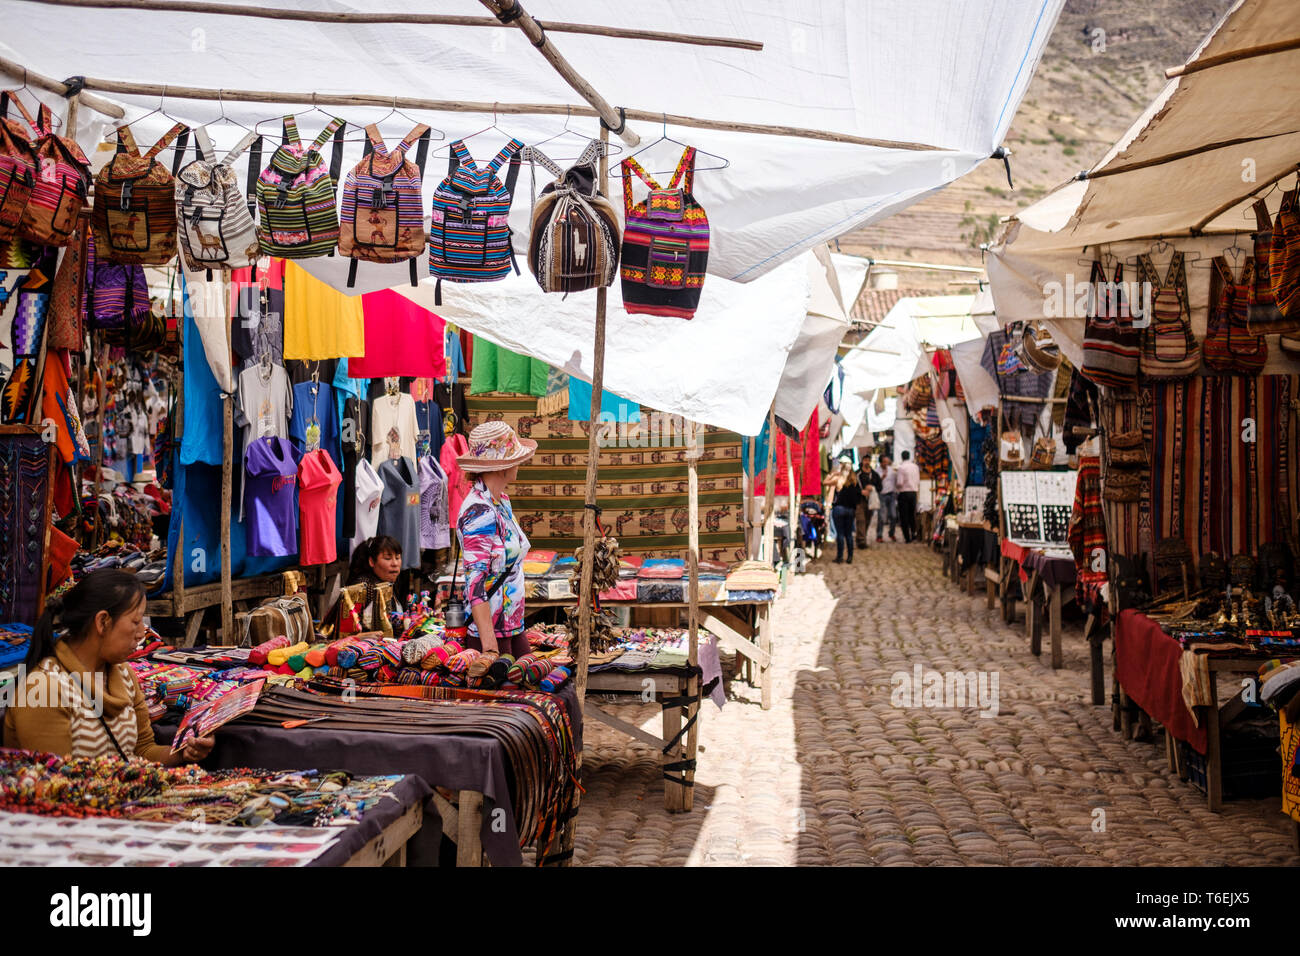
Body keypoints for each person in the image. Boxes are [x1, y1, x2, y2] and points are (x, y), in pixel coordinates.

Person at [3, 569, 214, 764]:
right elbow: (59, 783)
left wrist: (183, 752)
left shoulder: (122, 674)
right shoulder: (45, 689)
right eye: (136, 621)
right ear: (102, 622)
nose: (142, 633)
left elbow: (144, 750)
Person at [456, 421, 537, 670]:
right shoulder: (478, 511)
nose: (520, 463)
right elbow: (475, 583)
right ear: (502, 466)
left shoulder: (500, 501)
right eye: (515, 458)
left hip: (511, 626)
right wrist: (489, 647)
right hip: (492, 635)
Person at [344, 535, 405, 625]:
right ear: (372, 561)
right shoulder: (364, 586)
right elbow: (348, 626)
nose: (395, 563)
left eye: (397, 558)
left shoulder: (389, 582)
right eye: (388, 558)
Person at [830, 467, 863, 564]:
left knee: (840, 534)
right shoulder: (855, 485)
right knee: (848, 534)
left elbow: (824, 482)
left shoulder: (840, 483)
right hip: (850, 510)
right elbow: (858, 498)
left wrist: (832, 475)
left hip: (839, 509)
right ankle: (849, 557)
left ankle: (840, 557)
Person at [896, 450, 922, 543]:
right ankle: (914, 534)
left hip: (904, 493)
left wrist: (897, 487)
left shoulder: (901, 468)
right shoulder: (915, 467)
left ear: (902, 457)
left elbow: (899, 482)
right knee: (912, 514)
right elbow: (918, 481)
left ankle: (907, 537)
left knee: (904, 516)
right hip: (913, 493)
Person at [857, 458, 882, 547]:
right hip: (859, 501)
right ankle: (861, 540)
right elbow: (853, 486)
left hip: (870, 501)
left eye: (868, 460)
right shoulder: (857, 474)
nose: (867, 462)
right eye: (865, 460)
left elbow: (880, 487)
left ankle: (861, 537)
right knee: (861, 520)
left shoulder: (875, 475)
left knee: (867, 520)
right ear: (862, 461)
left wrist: (872, 488)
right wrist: (861, 491)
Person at [878, 455, 898, 542]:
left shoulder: (891, 470)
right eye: (884, 462)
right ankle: (879, 535)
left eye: (887, 462)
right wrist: (881, 478)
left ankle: (892, 533)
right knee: (882, 517)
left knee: (894, 515)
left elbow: (896, 481)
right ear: (881, 462)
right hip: (882, 495)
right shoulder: (877, 471)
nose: (886, 463)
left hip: (891, 494)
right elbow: (876, 484)